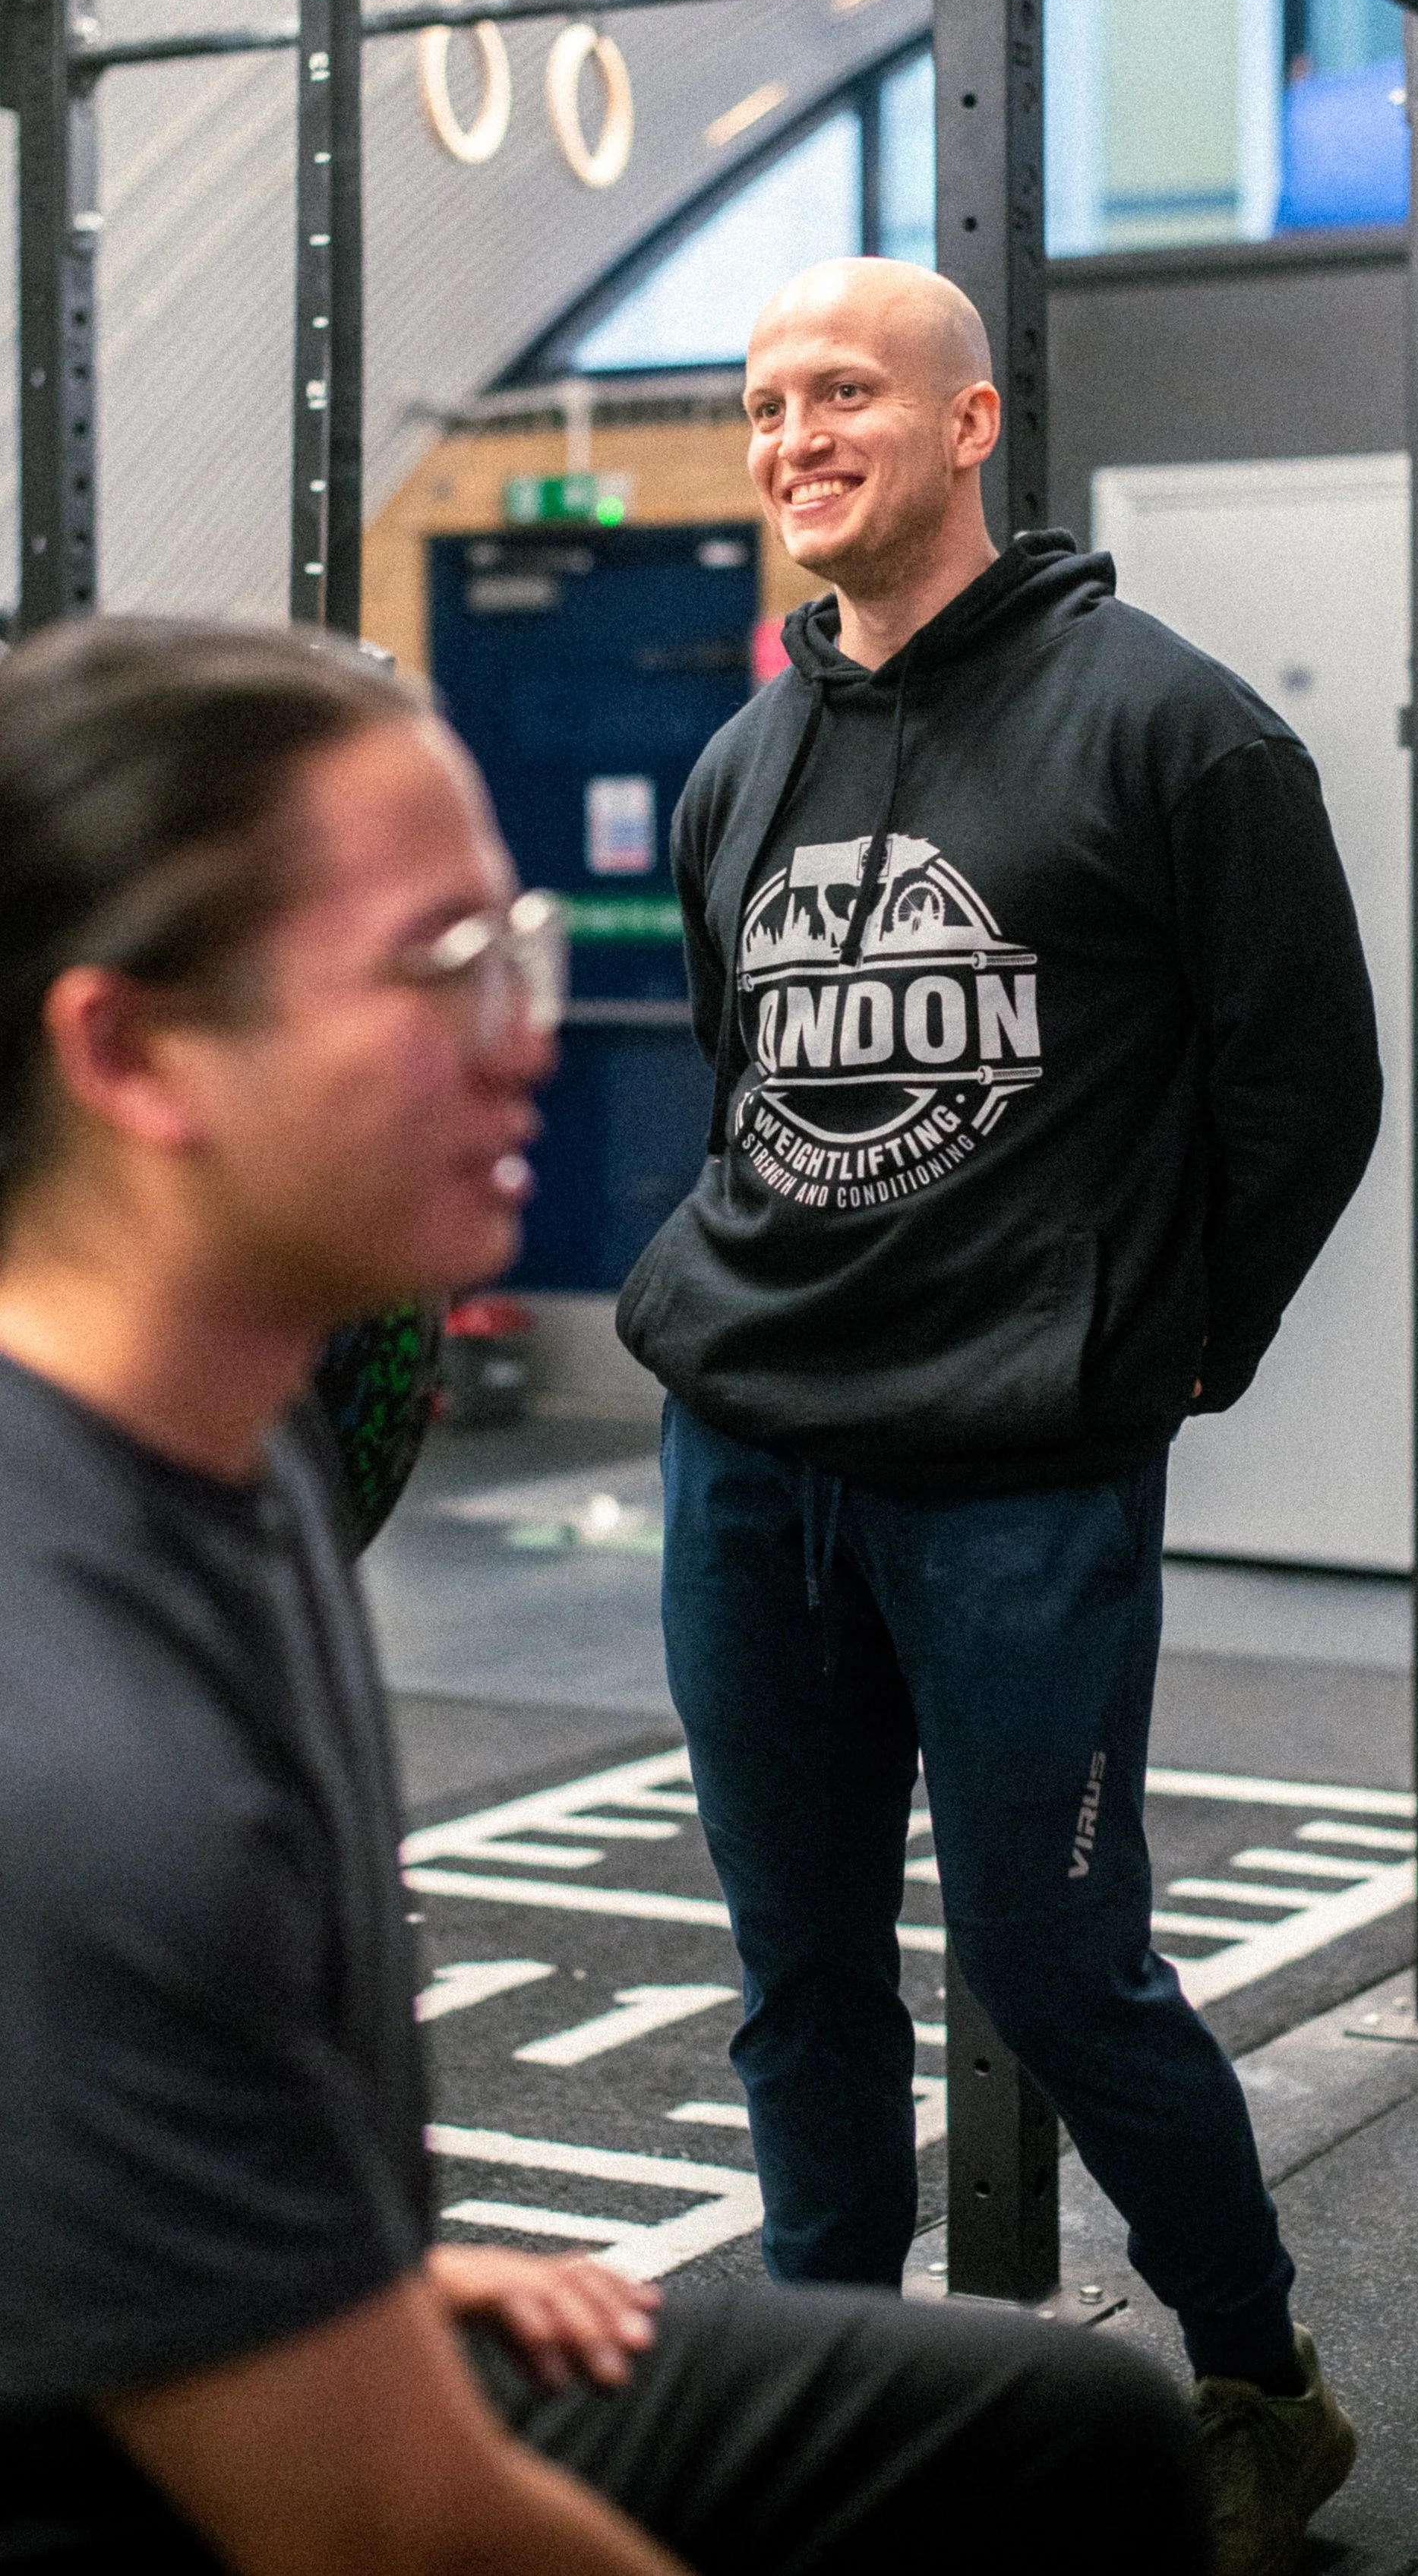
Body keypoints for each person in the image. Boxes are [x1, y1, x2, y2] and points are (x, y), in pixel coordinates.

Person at [0, 617, 1211, 2576]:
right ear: (130, 1053)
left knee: (1063, 2431)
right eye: (443, 971)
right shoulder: (73, 1755)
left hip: (210, 2334)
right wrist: (320, 2345)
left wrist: (365, 2278)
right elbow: (399, 2539)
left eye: (524, 947)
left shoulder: (241, 1457)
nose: (531, 1033)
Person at [617, 257, 1384, 2576]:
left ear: (965, 424)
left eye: (838, 391)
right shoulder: (742, 764)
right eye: (761, 406)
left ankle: (1253, 2377)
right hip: (747, 1450)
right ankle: (830, 2414)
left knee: (1061, 1968)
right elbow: (752, 1098)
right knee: (799, 1968)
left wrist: (1162, 1351)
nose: (790, 437)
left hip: (1018, 1474)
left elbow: (1309, 1092)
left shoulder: (1175, 729)